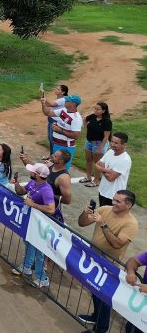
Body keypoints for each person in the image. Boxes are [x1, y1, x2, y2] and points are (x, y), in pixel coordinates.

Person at [77, 190, 139, 333]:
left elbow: (117, 244)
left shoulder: (131, 224)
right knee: (93, 289)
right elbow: (82, 223)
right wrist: (85, 213)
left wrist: (103, 224)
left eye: (118, 201)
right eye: (114, 199)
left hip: (108, 265)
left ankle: (101, 329)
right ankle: (96, 317)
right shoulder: (105, 209)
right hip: (93, 257)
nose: (113, 202)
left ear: (128, 205)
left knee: (104, 297)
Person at [11, 163, 56, 288]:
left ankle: (43, 279)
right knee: (28, 243)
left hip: (40, 225)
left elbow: (51, 209)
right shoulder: (33, 182)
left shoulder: (46, 190)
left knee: (39, 251)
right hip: (30, 221)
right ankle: (26, 267)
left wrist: (33, 205)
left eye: (32, 172)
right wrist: (16, 183)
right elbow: (21, 191)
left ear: (37, 175)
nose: (30, 172)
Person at [41, 93, 82, 169]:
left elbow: (76, 136)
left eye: (67, 101)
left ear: (73, 104)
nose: (65, 101)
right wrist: (43, 104)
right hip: (57, 144)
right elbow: (48, 113)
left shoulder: (76, 119)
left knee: (62, 169)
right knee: (53, 167)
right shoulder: (64, 110)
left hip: (65, 147)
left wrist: (60, 130)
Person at [96, 132, 132, 207]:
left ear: (124, 145)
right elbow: (97, 164)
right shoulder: (110, 152)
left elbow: (111, 178)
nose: (112, 144)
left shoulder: (125, 160)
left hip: (113, 196)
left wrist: (102, 169)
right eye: (112, 141)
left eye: (116, 143)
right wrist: (108, 171)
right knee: (101, 212)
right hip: (103, 190)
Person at [82, 102, 112, 187]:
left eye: (98, 109)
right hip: (89, 142)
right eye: (95, 108)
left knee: (97, 163)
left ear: (103, 111)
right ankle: (88, 177)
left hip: (99, 143)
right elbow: (85, 119)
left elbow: (106, 137)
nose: (95, 110)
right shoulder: (93, 116)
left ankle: (96, 181)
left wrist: (100, 149)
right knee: (88, 160)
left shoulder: (107, 122)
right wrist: (87, 131)